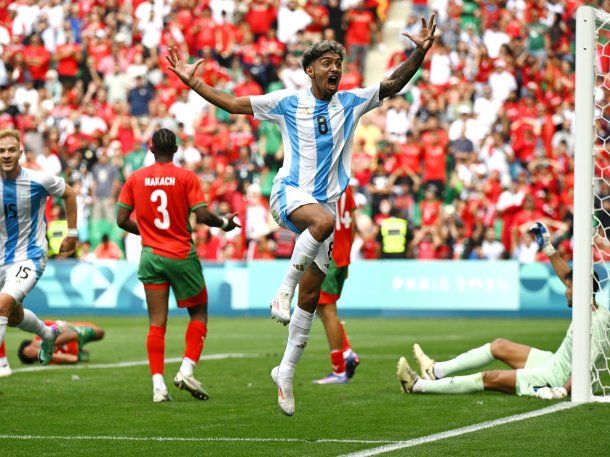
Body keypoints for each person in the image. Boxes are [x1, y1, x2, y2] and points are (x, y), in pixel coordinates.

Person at [166, 14, 437, 415]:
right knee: (322, 229)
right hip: (289, 194)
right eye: (327, 63)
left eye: (338, 63)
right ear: (309, 70)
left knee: (312, 297)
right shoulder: (287, 102)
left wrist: (419, 51)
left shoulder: (352, 101)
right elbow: (234, 103)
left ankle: (286, 373)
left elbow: (393, 83)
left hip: (323, 206)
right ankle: (281, 291)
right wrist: (194, 82)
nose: (335, 69)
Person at [396, 221, 610, 400]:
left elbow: (586, 366)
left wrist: (563, 389)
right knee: (500, 346)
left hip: (556, 377)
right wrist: (548, 248)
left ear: (581, 291)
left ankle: (417, 386)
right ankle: (435, 371)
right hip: (553, 361)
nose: (566, 290)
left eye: (570, 288)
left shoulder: (597, 322)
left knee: (490, 378)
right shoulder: (587, 304)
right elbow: (568, 278)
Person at [116, 128, 239, 403]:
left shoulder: (135, 178)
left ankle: (158, 387)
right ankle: (186, 369)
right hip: (181, 255)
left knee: (156, 323)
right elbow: (203, 214)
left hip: (151, 256)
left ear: (150, 150)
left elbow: (121, 220)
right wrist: (224, 223)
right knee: (199, 314)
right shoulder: (185, 177)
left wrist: (148, 232)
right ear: (175, 150)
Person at [0, 129, 77, 367]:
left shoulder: (38, 180)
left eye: (11, 150)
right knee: (13, 316)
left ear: (20, 153)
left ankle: (1, 363)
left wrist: (72, 234)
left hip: (30, 257)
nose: (6, 155)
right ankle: (47, 333)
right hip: (2, 257)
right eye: (1, 150)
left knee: (2, 304)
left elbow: (70, 194)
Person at [314, 185, 360, 384]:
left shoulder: (319, 185)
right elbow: (353, 224)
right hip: (342, 255)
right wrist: (347, 257)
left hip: (328, 254)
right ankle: (347, 352)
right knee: (323, 308)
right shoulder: (346, 187)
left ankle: (339, 368)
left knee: (327, 310)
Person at [17, 320, 105, 365]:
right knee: (85, 357)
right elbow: (73, 359)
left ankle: (77, 325)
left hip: (74, 333)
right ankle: (82, 351)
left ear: (33, 342)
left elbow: (72, 335)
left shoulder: (44, 328)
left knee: (100, 333)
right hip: (75, 352)